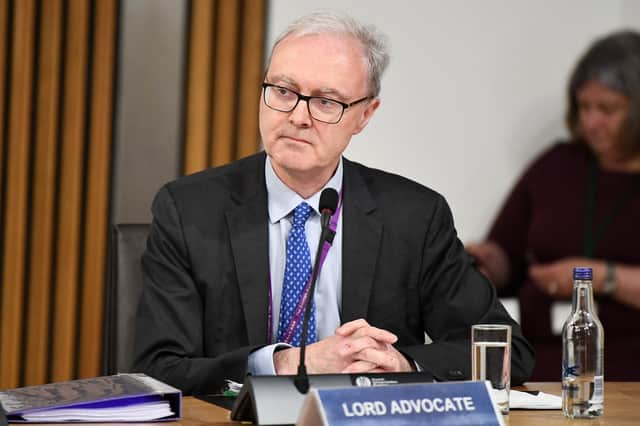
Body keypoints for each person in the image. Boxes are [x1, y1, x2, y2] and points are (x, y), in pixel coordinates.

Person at [133, 10, 534, 395]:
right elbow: (160, 368)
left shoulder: (413, 217)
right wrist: (288, 364)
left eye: (326, 101)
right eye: (283, 91)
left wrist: (402, 365)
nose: (298, 116)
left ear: (365, 115)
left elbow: (506, 353)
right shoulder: (188, 210)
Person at [467, 30, 640, 381]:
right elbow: (508, 254)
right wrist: (487, 262)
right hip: (539, 363)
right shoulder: (557, 163)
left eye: (606, 109)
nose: (590, 122)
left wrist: (596, 277)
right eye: (583, 107)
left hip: (626, 368)